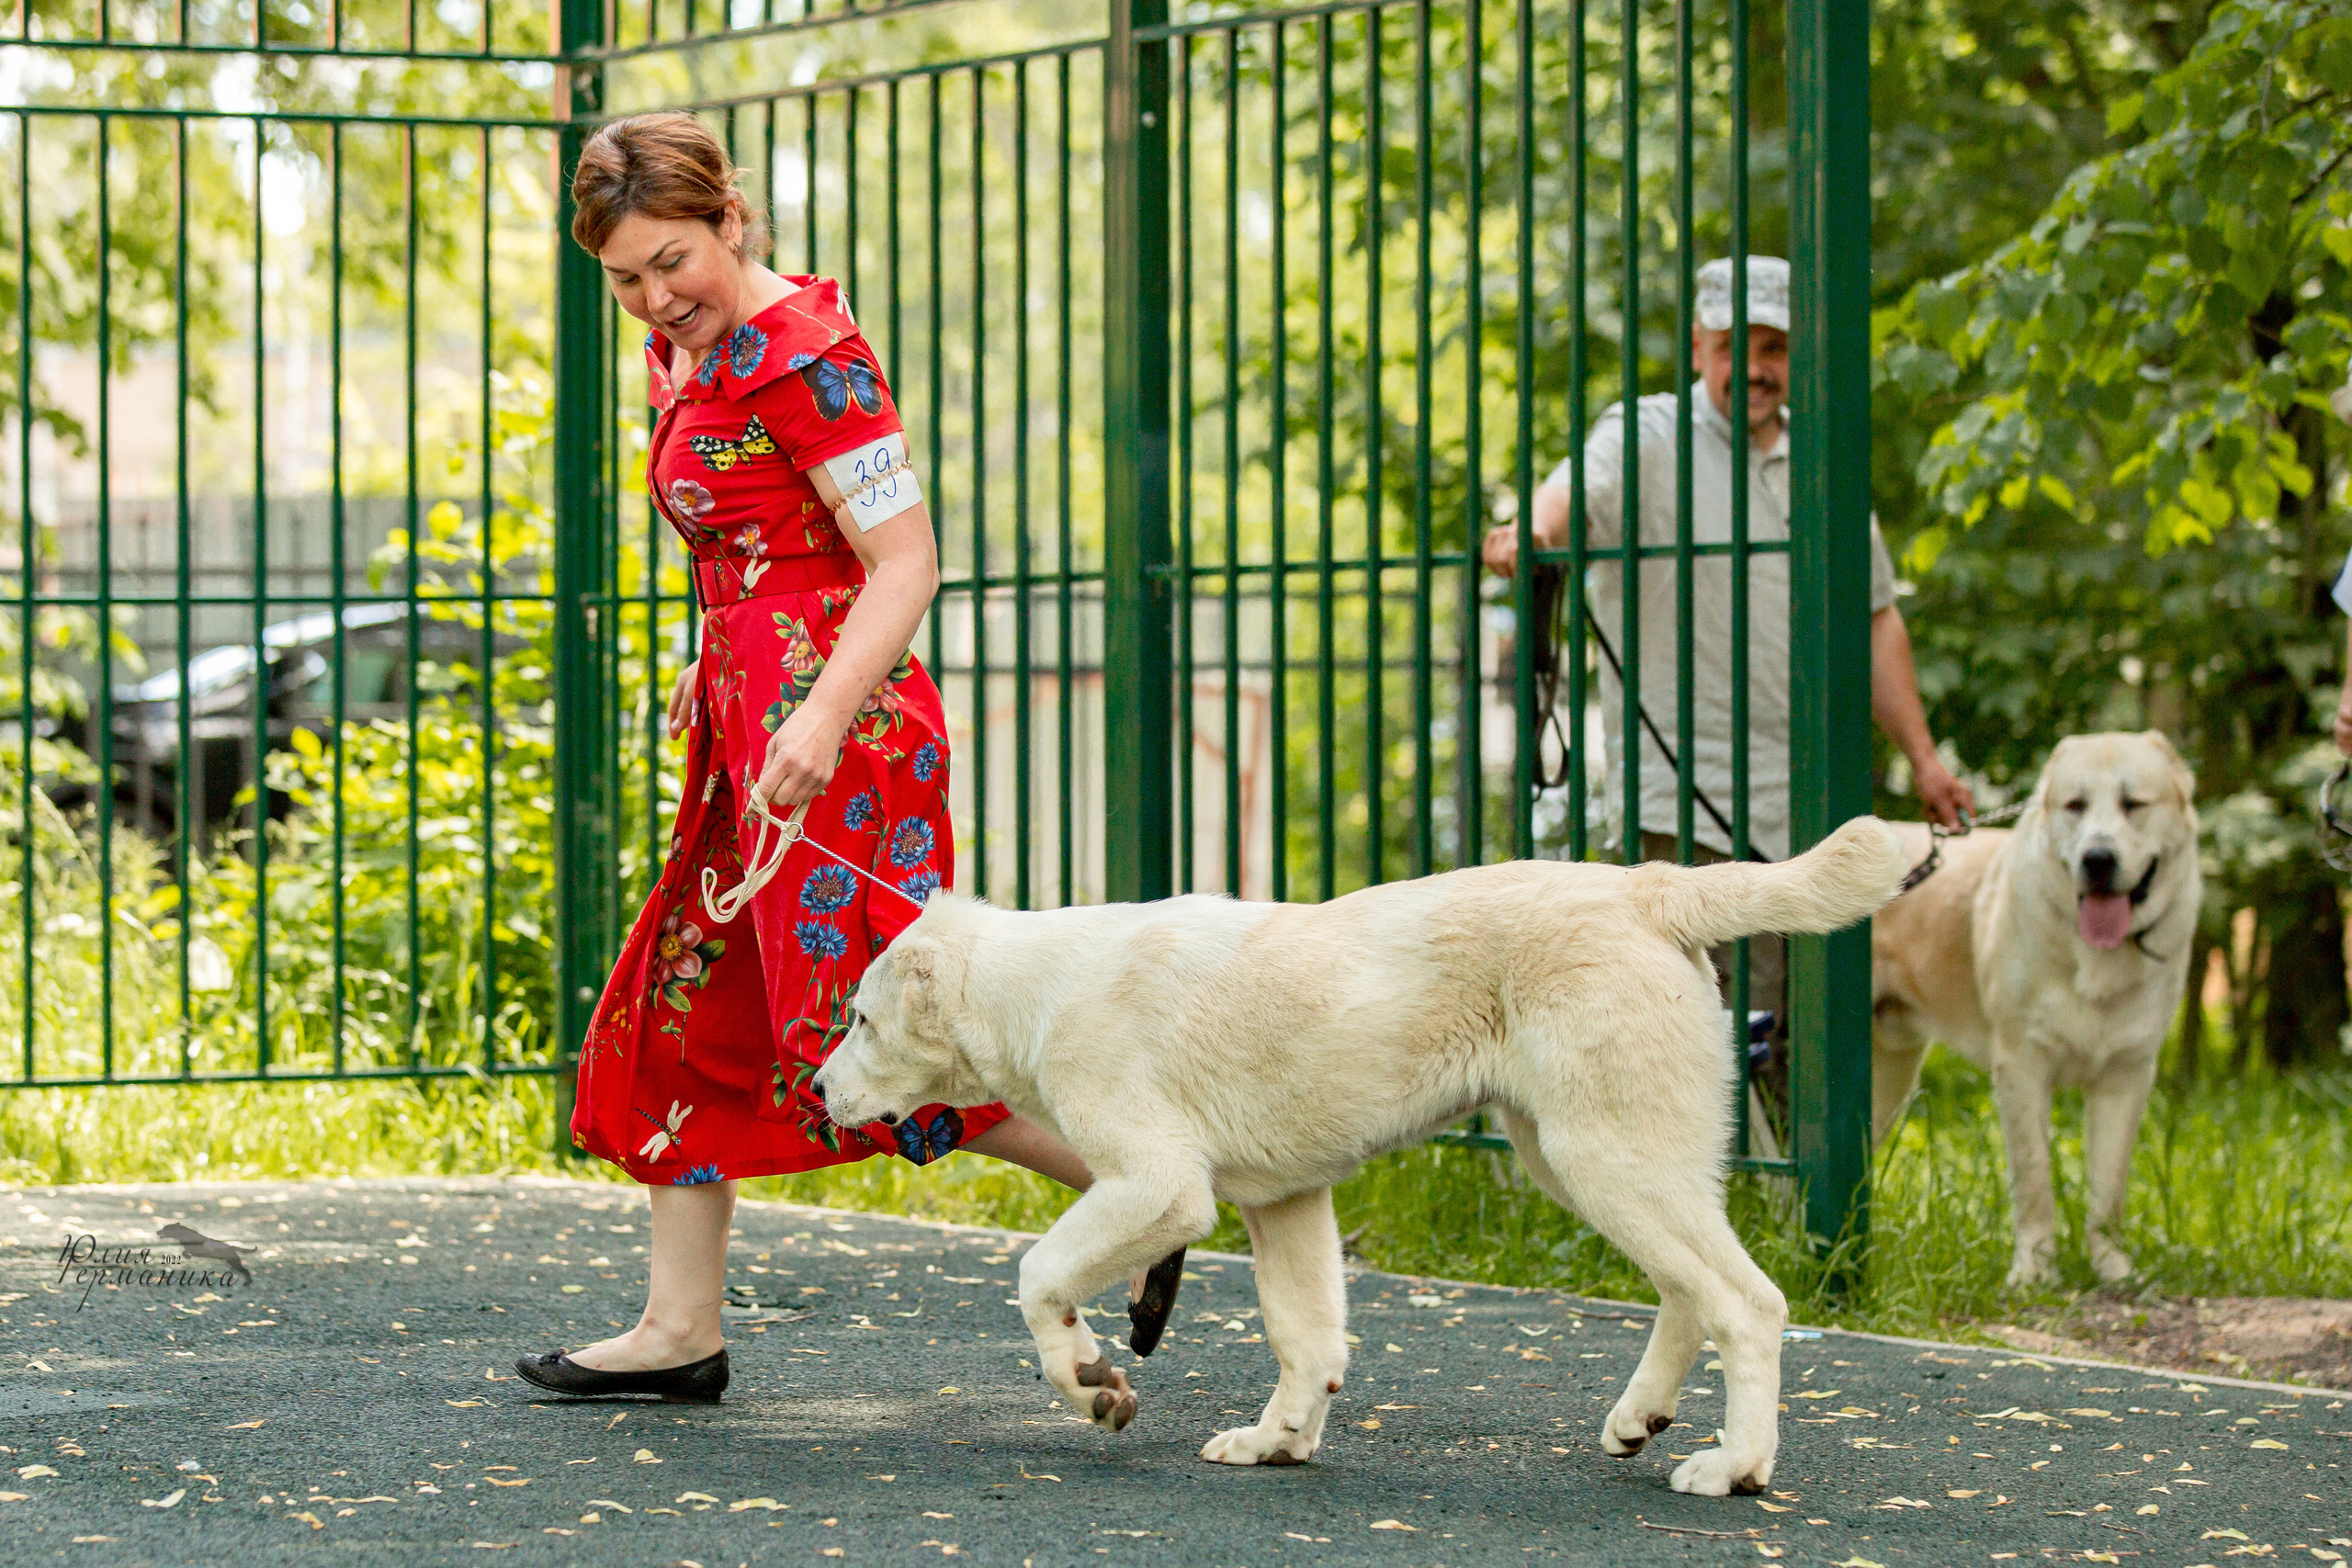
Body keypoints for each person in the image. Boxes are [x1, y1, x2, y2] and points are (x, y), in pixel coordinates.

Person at [518, 114, 1180, 1403]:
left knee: (883, 1035)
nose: (656, 298)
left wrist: (812, 710)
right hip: (750, 730)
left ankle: (1145, 1185)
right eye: (626, 279)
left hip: (842, 740)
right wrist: (714, 661)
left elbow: (903, 564)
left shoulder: (811, 358)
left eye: (674, 261)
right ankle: (678, 1325)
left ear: (733, 223)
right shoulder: (684, 353)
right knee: (682, 1009)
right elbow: (757, 544)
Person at [1482, 255, 1973, 1108]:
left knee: (1795, 1035)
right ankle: (1693, 1213)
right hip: (1684, 803)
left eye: (1777, 345)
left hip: (1805, 804)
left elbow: (1875, 617)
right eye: (1736, 343)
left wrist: (1925, 759)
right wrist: (1532, 527)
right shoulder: (1650, 433)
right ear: (1700, 344)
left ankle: (1795, 1226)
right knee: (1690, 1033)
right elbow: (1576, 492)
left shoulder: (1821, 460)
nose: (1757, 365)